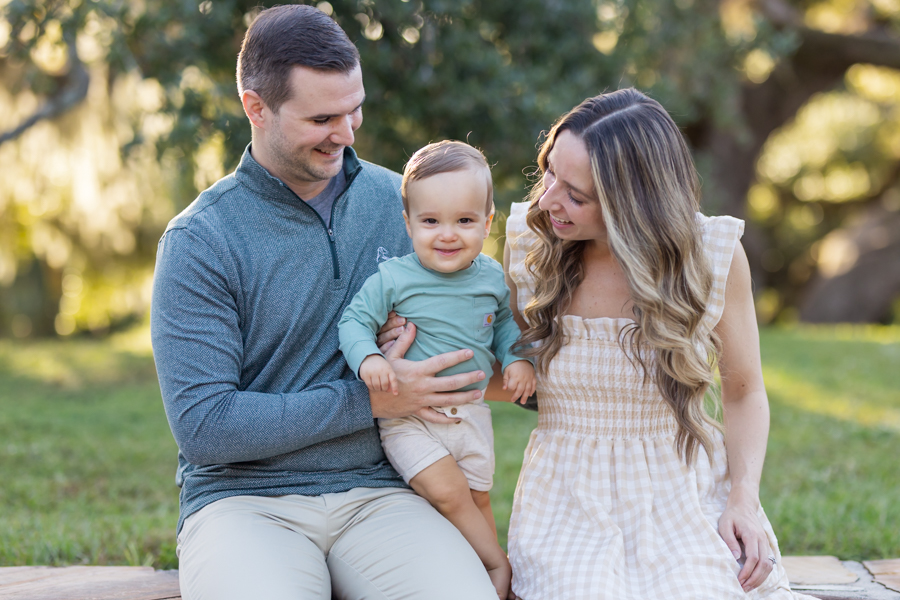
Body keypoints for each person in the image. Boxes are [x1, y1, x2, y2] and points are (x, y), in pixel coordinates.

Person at [150, 5, 500, 599]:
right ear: (255, 107)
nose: (346, 132)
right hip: (244, 505)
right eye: (322, 118)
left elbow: (488, 311)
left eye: (354, 108)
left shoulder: (410, 207)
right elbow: (206, 427)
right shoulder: (200, 241)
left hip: (386, 492)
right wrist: (374, 399)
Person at [500, 88, 817, 599]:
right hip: (567, 501)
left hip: (680, 495)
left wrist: (742, 499)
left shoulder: (711, 256)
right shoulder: (533, 247)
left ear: (632, 204)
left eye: (575, 194)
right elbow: (513, 376)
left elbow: (743, 392)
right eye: (550, 170)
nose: (548, 198)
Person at [338, 140, 536, 599]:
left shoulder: (490, 276)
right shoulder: (393, 278)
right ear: (408, 224)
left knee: (477, 497)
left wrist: (517, 358)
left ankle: (486, 576)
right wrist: (368, 358)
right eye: (430, 221)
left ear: (488, 223)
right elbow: (354, 321)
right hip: (408, 420)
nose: (447, 234)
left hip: (470, 414)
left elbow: (505, 325)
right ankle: (497, 565)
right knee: (448, 494)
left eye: (465, 221)